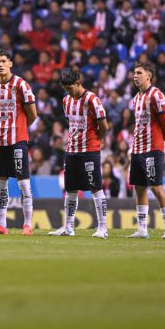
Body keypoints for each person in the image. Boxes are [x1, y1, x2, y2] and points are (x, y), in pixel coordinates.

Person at [48, 68, 110, 238]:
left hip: (89, 150)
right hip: (71, 150)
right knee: (70, 190)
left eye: (70, 88)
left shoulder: (92, 99)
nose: (68, 92)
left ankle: (102, 228)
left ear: (78, 83)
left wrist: (100, 139)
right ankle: (68, 227)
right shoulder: (66, 100)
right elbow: (72, 123)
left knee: (96, 188)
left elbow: (104, 125)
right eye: (65, 89)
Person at [0, 49, 37, 236]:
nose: (0, 64)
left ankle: (28, 224)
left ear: (10, 63)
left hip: (17, 141)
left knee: (23, 183)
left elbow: (33, 114)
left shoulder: (21, 85)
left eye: (3, 61)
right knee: (0, 184)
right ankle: (1, 225)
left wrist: (20, 128)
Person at [128, 63, 165, 240]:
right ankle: (142, 229)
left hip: (152, 148)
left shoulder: (156, 95)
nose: (135, 76)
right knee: (139, 188)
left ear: (149, 76)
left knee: (156, 187)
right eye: (134, 73)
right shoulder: (136, 98)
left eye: (139, 73)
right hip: (138, 149)